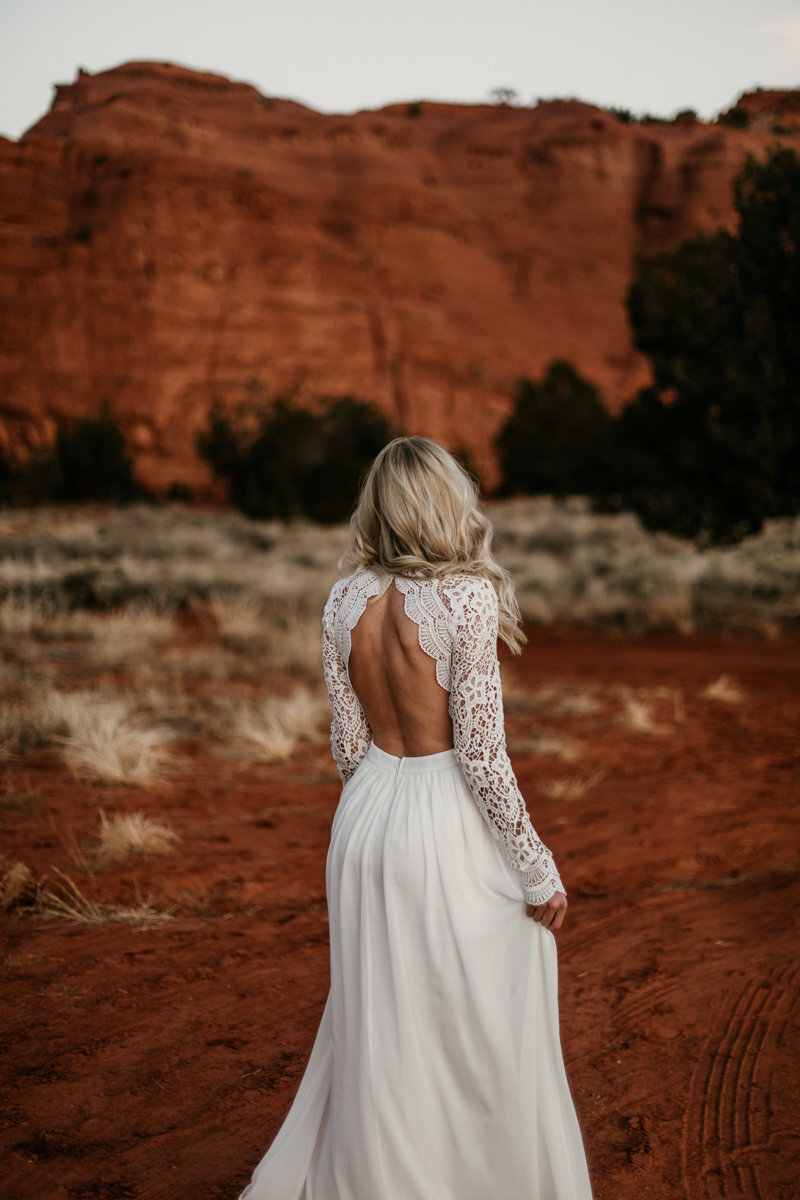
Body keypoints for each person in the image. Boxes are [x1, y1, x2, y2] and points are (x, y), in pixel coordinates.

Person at [239, 436, 593, 1199]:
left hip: (365, 815)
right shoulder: (466, 597)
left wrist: (377, 804)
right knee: (486, 1001)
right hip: (443, 817)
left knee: (381, 1010)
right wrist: (537, 866)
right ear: (445, 501)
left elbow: (347, 741)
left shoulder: (342, 601)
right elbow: (482, 756)